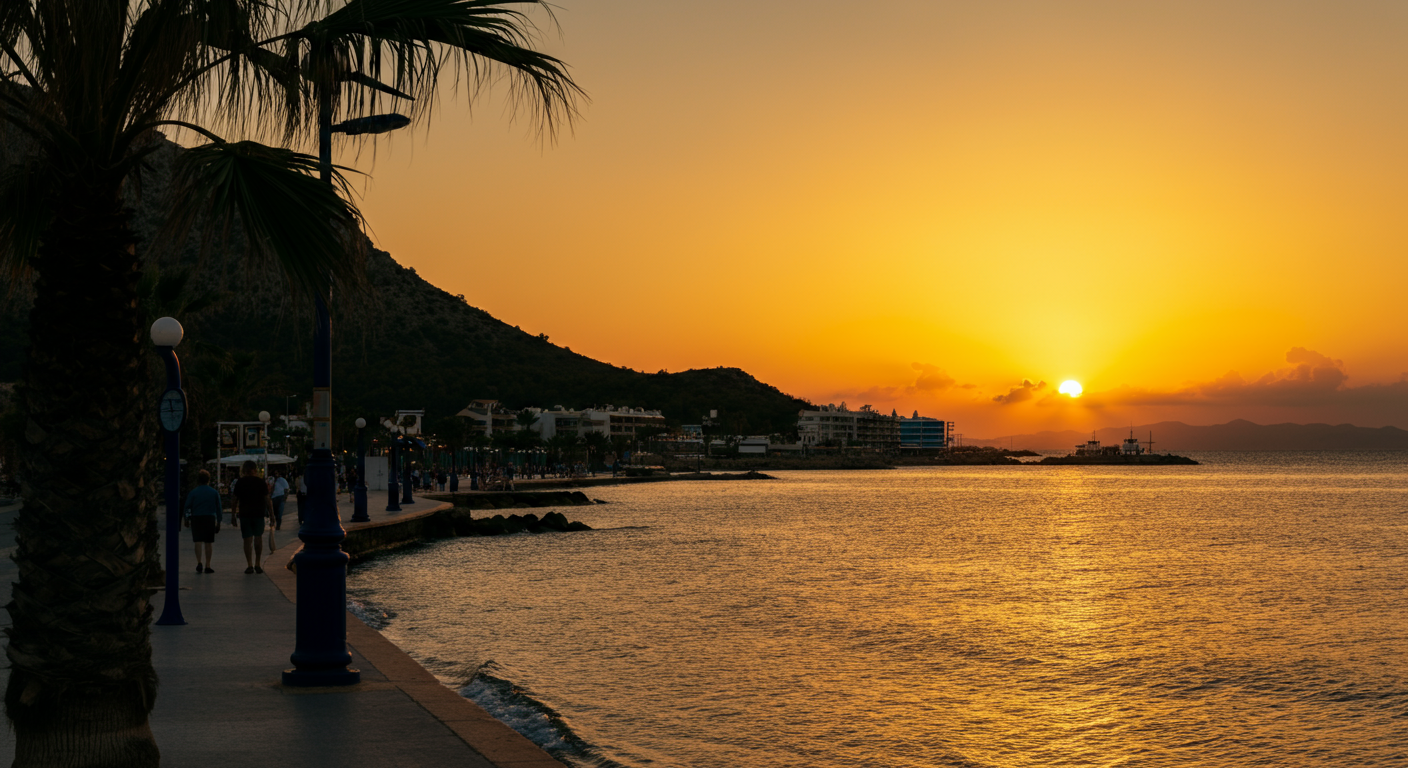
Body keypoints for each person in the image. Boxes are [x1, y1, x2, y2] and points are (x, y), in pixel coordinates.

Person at [230, 460, 273, 574]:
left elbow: (234, 500)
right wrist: (272, 515)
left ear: (244, 470)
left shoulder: (240, 482)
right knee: (258, 538)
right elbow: (268, 499)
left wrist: (233, 515)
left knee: (247, 540)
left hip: (245, 514)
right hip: (258, 514)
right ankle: (257, 564)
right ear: (255, 470)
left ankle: (249, 564)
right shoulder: (260, 482)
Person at [183, 469, 222, 573]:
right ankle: (208, 565)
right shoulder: (214, 492)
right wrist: (219, 522)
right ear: (208, 480)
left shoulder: (193, 492)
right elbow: (219, 508)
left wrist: (186, 518)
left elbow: (187, 506)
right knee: (208, 542)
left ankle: (199, 562)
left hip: (197, 518)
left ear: (198, 480)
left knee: (198, 541)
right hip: (209, 518)